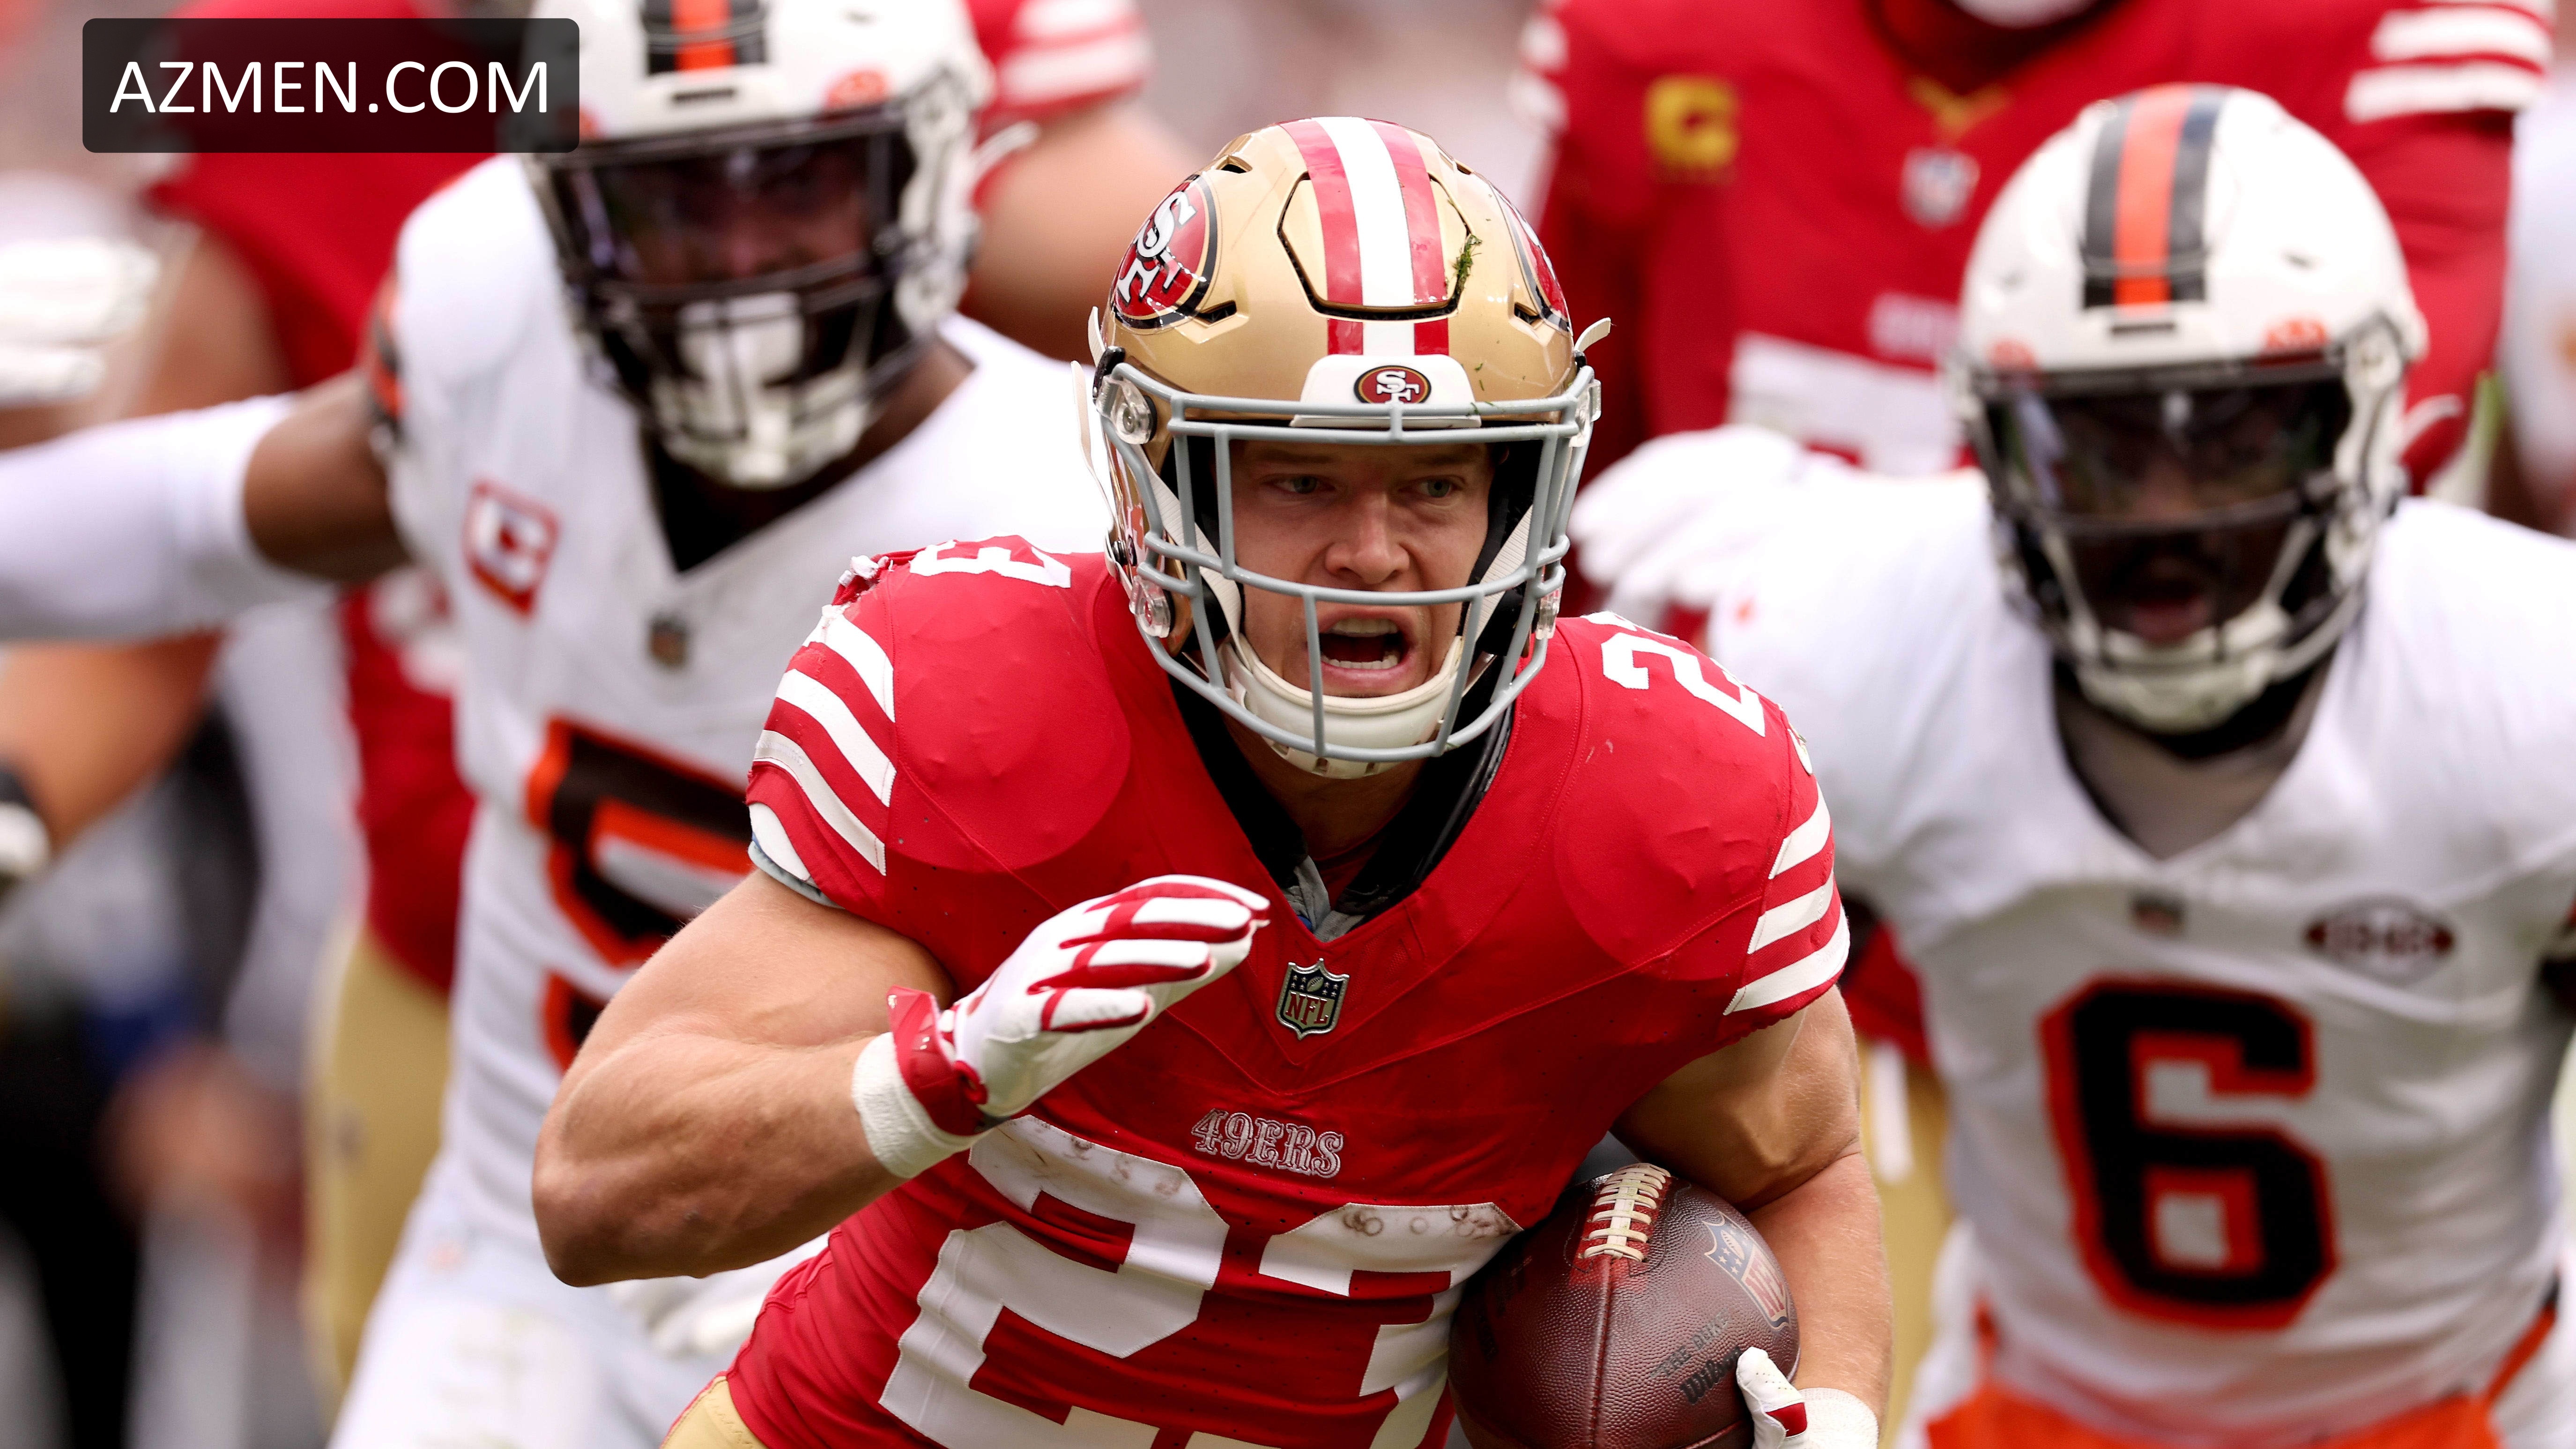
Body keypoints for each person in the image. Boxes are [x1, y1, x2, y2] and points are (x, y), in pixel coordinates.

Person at [530, 117, 1892, 1449]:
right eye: (1298, 478)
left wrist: (1832, 1414)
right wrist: (939, 1075)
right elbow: (592, 1196)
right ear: (1157, 480)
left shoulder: (1657, 799)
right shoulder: (981, 711)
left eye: (1433, 483)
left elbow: (1801, 1165)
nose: (1372, 552)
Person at [0, 0, 1188, 1403]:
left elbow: (1227, 276)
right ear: (558, 208)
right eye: (674, 200)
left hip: (884, 1249)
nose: (741, 267)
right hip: (507, 1208)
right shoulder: (482, 297)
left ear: (941, 173)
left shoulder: (1066, 526)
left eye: (798, 181)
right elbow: (209, 505)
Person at [1593, 87, 2576, 1448]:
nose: (2165, 516)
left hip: (2467, 1414)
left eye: (2232, 437)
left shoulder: (2523, 687)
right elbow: (1642, 1057)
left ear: (2363, 419)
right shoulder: (1863, 637)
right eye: (2102, 447)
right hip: (2027, 1412)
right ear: (1992, 444)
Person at [1518, 0, 2545, 487]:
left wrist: (1899, 550)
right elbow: (1554, 450)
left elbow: (2378, 420)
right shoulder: (1666, 33)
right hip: (1726, 729)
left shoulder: (2356, 34)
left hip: (2165, 737)